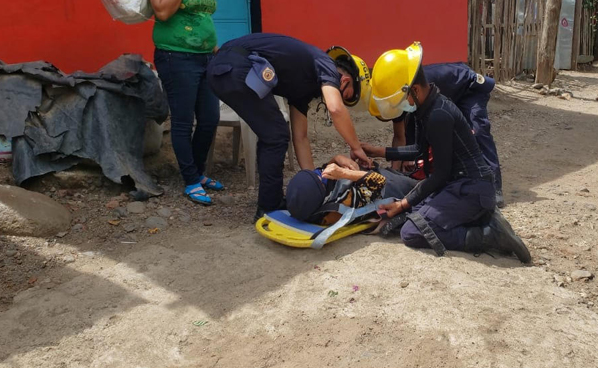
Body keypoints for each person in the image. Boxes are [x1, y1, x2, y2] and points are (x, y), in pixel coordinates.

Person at [361, 43, 531, 263]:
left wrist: (403, 204)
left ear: (414, 89)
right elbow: (418, 150)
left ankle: (489, 235)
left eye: (402, 100)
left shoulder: (437, 115)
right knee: (410, 212)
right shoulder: (428, 107)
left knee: (411, 231)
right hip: (459, 186)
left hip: (471, 190)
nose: (402, 106)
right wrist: (378, 151)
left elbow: (439, 174)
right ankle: (476, 219)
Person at [206, 34, 372, 219]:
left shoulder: (304, 87)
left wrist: (315, 183)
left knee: (273, 134)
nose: (342, 100)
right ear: (345, 81)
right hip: (237, 66)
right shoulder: (326, 64)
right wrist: (356, 148)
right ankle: (270, 206)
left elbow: (300, 137)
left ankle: (270, 202)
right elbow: (336, 108)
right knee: (276, 135)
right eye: (346, 96)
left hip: (221, 70)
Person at [147, 0, 223, 205]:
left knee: (210, 119)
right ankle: (191, 180)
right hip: (176, 58)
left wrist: (217, 50)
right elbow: (163, 10)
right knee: (182, 122)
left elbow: (201, 17)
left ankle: (199, 172)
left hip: (206, 58)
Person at [368, 62, 505, 207]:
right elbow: (406, 138)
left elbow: (416, 141)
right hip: (447, 94)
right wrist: (394, 170)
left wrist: (404, 201)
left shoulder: (414, 89)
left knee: (478, 132)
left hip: (469, 87)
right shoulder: (401, 98)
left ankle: (494, 188)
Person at [284, 155, 418, 226]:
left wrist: (337, 159)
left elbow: (325, 170)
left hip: (369, 183)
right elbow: (379, 181)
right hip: (390, 191)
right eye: (320, 176)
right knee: (424, 188)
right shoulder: (343, 203)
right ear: (324, 195)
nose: (321, 172)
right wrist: (344, 173)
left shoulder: (315, 202)